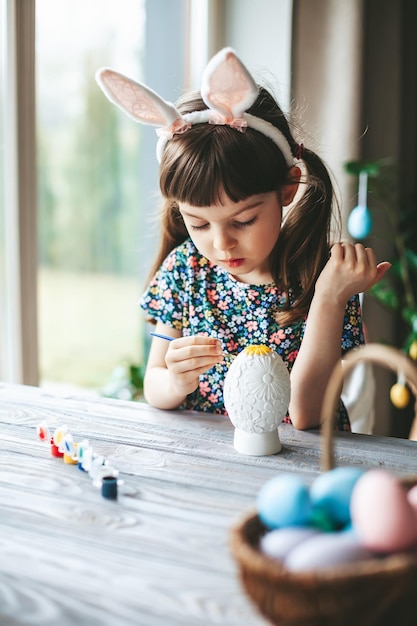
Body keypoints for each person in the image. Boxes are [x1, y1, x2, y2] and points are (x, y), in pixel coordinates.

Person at [96, 48, 390, 431]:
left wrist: (330, 298)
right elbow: (155, 385)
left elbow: (305, 415)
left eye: (244, 220)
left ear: (287, 189)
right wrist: (175, 380)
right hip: (210, 468)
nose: (222, 244)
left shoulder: (321, 277)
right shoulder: (186, 270)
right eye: (199, 224)